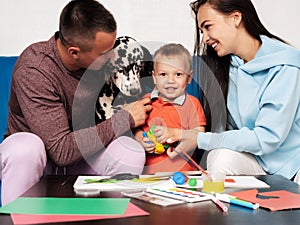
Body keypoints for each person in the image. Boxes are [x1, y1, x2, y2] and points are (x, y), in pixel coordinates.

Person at [0, 0, 152, 205]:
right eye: (103, 53)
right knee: (26, 147)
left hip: (84, 158)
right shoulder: (35, 70)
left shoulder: (104, 62)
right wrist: (126, 118)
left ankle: (116, 217)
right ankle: (17, 216)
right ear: (74, 52)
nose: (112, 57)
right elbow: (61, 151)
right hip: (39, 161)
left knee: (129, 150)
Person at [154, 0, 300, 184]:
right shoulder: (226, 67)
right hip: (256, 159)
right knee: (220, 157)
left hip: (293, 164)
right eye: (202, 31)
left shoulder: (285, 65)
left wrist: (198, 138)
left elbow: (267, 138)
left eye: (208, 27)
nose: (205, 38)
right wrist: (187, 139)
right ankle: (221, 211)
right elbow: (226, 133)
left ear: (235, 18)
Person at [134, 43, 206, 174]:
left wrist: (175, 136)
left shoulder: (192, 104)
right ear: (154, 77)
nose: (170, 80)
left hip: (184, 173)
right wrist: (141, 139)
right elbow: (136, 128)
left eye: (178, 74)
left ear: (189, 78)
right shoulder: (146, 100)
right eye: (163, 75)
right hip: (148, 174)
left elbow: (199, 136)